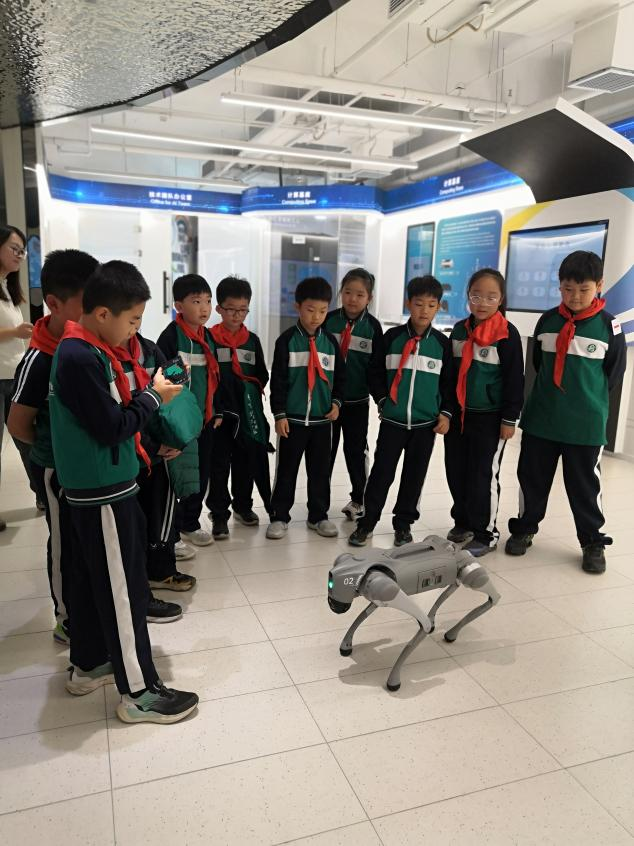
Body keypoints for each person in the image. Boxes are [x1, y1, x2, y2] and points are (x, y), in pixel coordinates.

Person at [49, 260, 198, 724]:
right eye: (132, 320)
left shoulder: (85, 349)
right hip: (103, 494)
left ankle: (90, 663)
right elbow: (112, 427)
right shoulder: (80, 357)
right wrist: (155, 396)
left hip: (99, 487)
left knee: (93, 584)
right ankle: (139, 693)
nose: (135, 329)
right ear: (101, 314)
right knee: (124, 592)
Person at [506, 250, 626, 574]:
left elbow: (613, 374)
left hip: (585, 425)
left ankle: (592, 541)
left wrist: (587, 401)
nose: (575, 296)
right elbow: (538, 364)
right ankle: (525, 527)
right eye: (568, 289)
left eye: (583, 289)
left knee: (585, 486)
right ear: (559, 286)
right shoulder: (547, 321)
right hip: (542, 419)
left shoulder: (609, 327)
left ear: (599, 285)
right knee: (532, 478)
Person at [9, 249, 98, 643]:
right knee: (64, 544)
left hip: (88, 469)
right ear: (54, 303)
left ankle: (88, 608)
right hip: (56, 470)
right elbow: (17, 424)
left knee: (87, 540)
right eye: (86, 303)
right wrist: (54, 450)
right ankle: (66, 618)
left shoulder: (91, 344)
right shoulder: (40, 358)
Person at [349, 275, 453, 548]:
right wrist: (383, 401)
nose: (424, 311)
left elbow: (449, 384)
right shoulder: (391, 338)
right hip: (393, 422)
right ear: (409, 304)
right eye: (418, 304)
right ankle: (367, 522)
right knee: (381, 473)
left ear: (438, 307)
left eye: (431, 305)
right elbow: (374, 372)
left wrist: (445, 413)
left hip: (425, 425)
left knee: (414, 477)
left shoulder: (442, 345)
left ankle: (403, 525)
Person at [114, 328, 198, 605]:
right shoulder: (104, 357)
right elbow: (117, 418)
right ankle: (139, 579)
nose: (132, 327)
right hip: (132, 453)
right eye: (128, 318)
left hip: (161, 452)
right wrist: (151, 447)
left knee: (161, 514)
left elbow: (173, 382)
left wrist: (179, 372)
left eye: (137, 318)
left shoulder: (148, 349)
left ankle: (161, 571)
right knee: (134, 522)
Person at [444, 268, 524, 556]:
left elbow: (515, 380)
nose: (482, 303)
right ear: (468, 296)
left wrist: (509, 419)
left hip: (491, 418)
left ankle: (486, 533)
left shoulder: (507, 334)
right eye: (476, 296)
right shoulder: (458, 330)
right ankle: (463, 521)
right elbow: (449, 376)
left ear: (501, 299)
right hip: (460, 415)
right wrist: (447, 411)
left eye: (491, 297)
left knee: (482, 475)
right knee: (456, 470)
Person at [267, 276, 345, 540]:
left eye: (322, 311)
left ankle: (318, 516)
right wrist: (279, 414)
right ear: (297, 307)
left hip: (322, 422)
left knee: (320, 472)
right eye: (310, 310)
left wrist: (336, 403)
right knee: (286, 471)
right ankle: (279, 516)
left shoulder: (331, 343)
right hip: (293, 420)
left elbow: (340, 379)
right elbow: (278, 381)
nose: (316, 317)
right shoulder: (286, 341)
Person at [157, 274, 223, 550]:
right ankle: (172, 528)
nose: (204, 308)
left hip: (205, 420)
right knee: (180, 474)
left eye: (207, 301)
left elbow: (215, 378)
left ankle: (190, 523)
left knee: (201, 473)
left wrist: (217, 410)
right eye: (196, 302)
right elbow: (165, 380)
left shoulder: (209, 337)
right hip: (181, 422)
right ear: (179, 306)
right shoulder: (171, 337)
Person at [207, 275, 270, 539]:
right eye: (231, 309)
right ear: (219, 308)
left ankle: (243, 506)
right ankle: (219, 513)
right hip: (220, 414)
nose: (237, 315)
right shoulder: (210, 339)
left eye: (243, 310)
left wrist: (248, 391)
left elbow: (261, 374)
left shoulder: (251, 340)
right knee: (219, 464)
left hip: (245, 413)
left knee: (245, 461)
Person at [325, 268, 384, 522]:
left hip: (357, 402)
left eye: (360, 294)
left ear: (369, 298)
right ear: (341, 293)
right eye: (348, 292)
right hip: (327, 402)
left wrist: (380, 399)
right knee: (324, 452)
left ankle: (359, 499)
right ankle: (320, 501)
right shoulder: (328, 321)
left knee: (356, 452)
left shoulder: (373, 328)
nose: (352, 299)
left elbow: (377, 368)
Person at [0, 224, 39, 529]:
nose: (19, 256)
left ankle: (42, 493)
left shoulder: (7, 288)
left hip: (14, 375)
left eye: (22, 251)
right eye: (15, 249)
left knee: (27, 439)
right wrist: (14, 332)